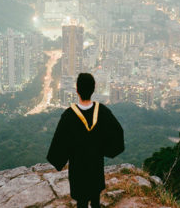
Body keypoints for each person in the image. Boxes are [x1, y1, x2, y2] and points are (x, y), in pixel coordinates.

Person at [47, 73, 125, 208]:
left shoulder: (69, 115)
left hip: (78, 169)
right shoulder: (102, 111)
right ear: (93, 89)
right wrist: (104, 150)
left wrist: (59, 159)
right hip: (96, 166)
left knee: (81, 202)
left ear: (77, 90)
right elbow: (117, 132)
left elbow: (60, 142)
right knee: (96, 200)